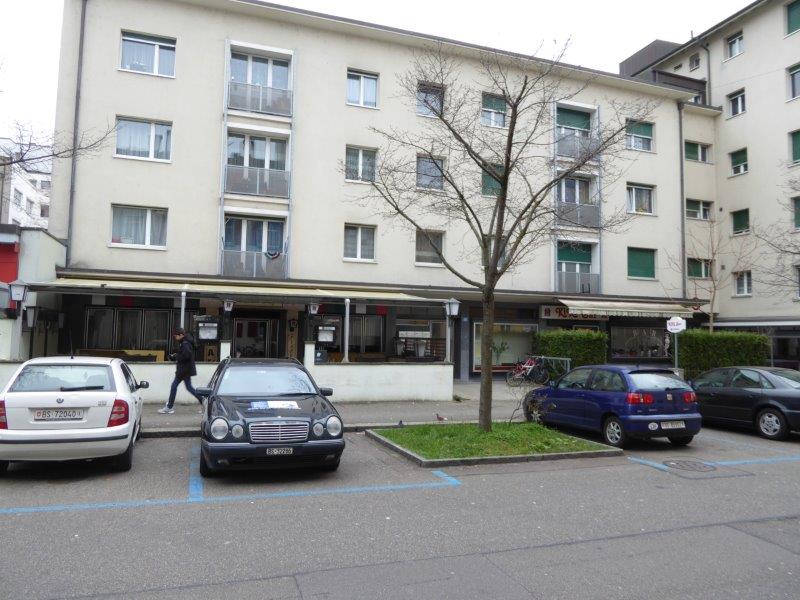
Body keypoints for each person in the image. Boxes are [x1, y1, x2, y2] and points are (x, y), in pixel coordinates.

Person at [158, 327, 204, 414]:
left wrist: (175, 356)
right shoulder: (185, 342)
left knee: (174, 387)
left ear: (181, 335)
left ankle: (169, 407)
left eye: (176, 336)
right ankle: (204, 402)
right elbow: (184, 354)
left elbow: (186, 356)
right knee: (189, 388)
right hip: (185, 370)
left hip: (183, 370)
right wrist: (177, 354)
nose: (175, 338)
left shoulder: (185, 343)